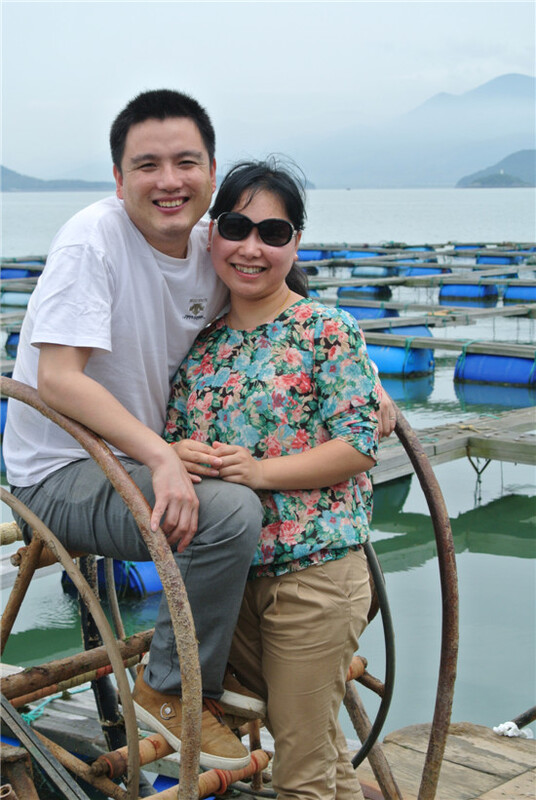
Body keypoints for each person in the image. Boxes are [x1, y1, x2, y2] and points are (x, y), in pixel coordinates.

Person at [2, 89, 265, 771]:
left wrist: (366, 383)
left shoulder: (212, 244)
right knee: (229, 512)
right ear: (119, 180)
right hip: (58, 472)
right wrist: (161, 456)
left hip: (137, 457)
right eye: (148, 165)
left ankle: (236, 665)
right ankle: (169, 690)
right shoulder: (92, 241)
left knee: (270, 484)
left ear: (212, 171)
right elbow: (58, 379)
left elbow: (282, 303)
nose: (169, 181)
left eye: (186, 162)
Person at [164, 158, 382, 800]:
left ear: (295, 244)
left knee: (300, 775)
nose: (252, 248)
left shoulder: (326, 330)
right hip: (231, 590)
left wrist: (260, 472)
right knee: (317, 752)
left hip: (314, 577)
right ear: (212, 235)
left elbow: (358, 444)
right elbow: (174, 445)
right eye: (236, 227)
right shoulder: (201, 348)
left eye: (273, 233)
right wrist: (175, 452)